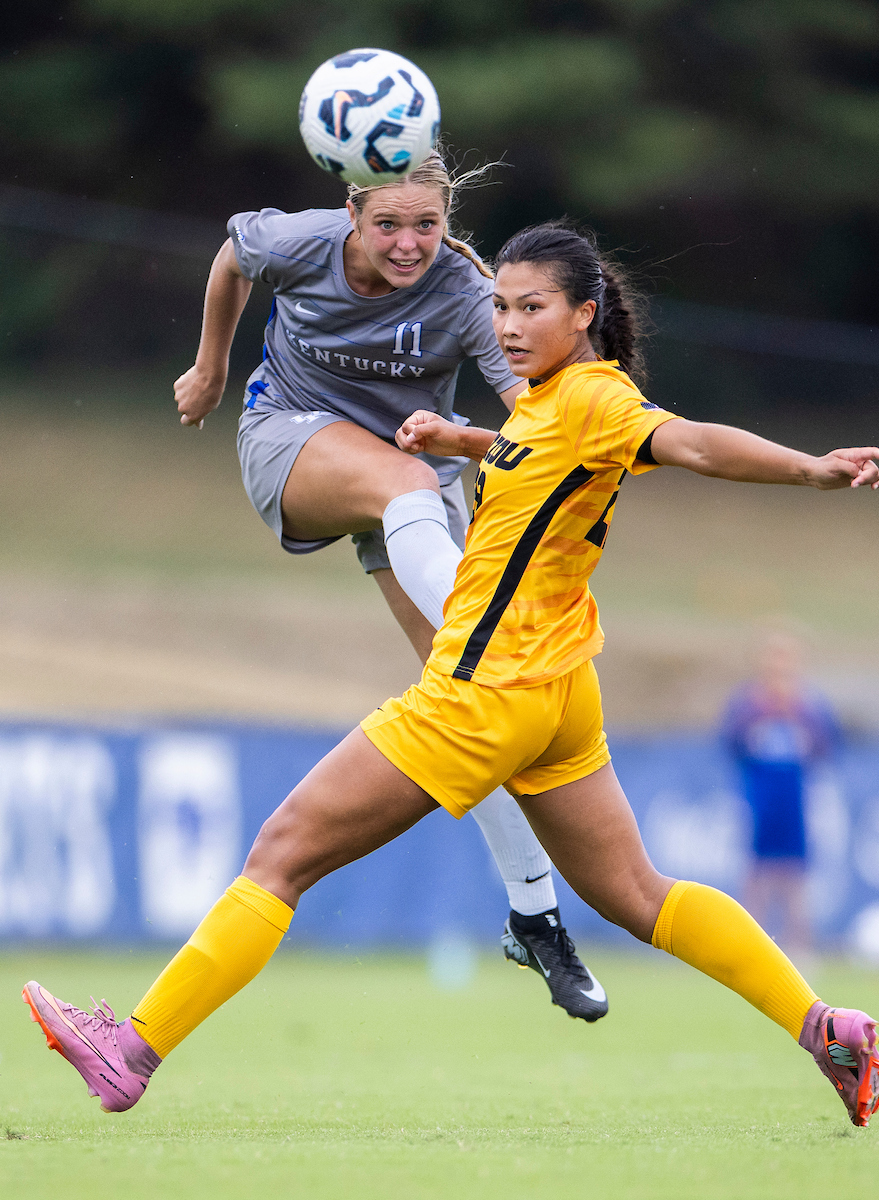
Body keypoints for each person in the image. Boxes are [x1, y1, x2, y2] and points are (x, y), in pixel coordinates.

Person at [23, 222, 879, 1128]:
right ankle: (823, 1028)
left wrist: (810, 470)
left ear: (584, 313)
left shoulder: (597, 398)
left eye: (532, 307)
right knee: (639, 895)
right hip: (559, 689)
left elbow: (695, 444)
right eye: (502, 306)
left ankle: (130, 1052)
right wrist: (463, 437)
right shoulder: (552, 399)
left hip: (487, 690)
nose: (508, 326)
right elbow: (539, 458)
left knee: (280, 856)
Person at [171, 151, 606, 1020]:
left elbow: (535, 412)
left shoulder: (468, 294)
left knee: (471, 695)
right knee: (468, 608)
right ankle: (490, 637)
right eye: (387, 225)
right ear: (352, 214)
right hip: (291, 438)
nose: (408, 243)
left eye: (427, 225)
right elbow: (231, 259)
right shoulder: (301, 242)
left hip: (414, 479)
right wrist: (211, 367)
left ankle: (534, 913)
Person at [722, 631, 842, 957]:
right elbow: (731, 741)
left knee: (795, 878)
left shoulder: (808, 705)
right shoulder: (748, 703)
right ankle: (750, 948)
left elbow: (827, 745)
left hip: (796, 800)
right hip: (759, 800)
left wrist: (794, 715)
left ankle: (799, 948)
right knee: (756, 876)